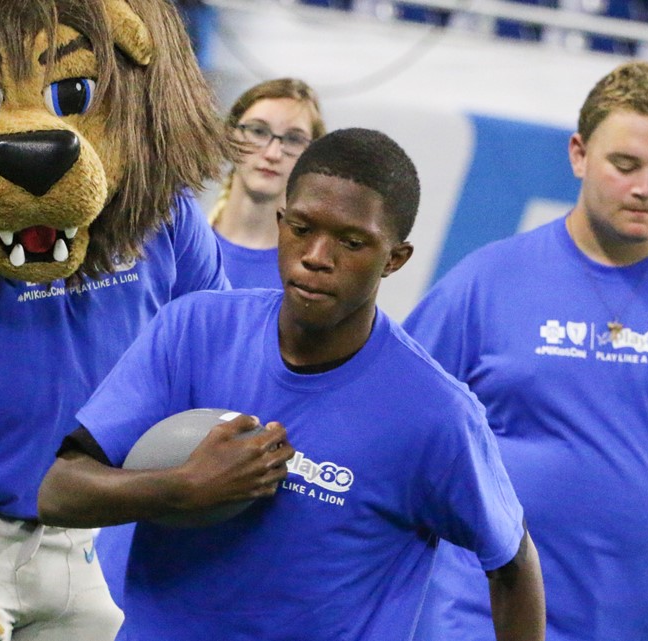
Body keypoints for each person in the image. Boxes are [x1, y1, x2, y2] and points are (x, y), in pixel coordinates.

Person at [38, 128, 547, 641]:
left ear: (394, 258)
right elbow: (59, 492)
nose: (317, 257)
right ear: (282, 224)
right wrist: (184, 487)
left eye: (352, 242)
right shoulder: (193, 331)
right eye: (302, 229)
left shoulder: (437, 414)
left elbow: (512, 560)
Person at [403, 60, 648, 641]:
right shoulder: (486, 282)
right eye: (626, 164)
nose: (647, 188)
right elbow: (400, 427)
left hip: (627, 626)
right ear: (578, 154)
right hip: (473, 616)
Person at [208, 78, 326, 289]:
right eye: (258, 131)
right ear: (229, 136)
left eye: (294, 139)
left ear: (312, 157)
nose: (273, 154)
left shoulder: (312, 272)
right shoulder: (183, 246)